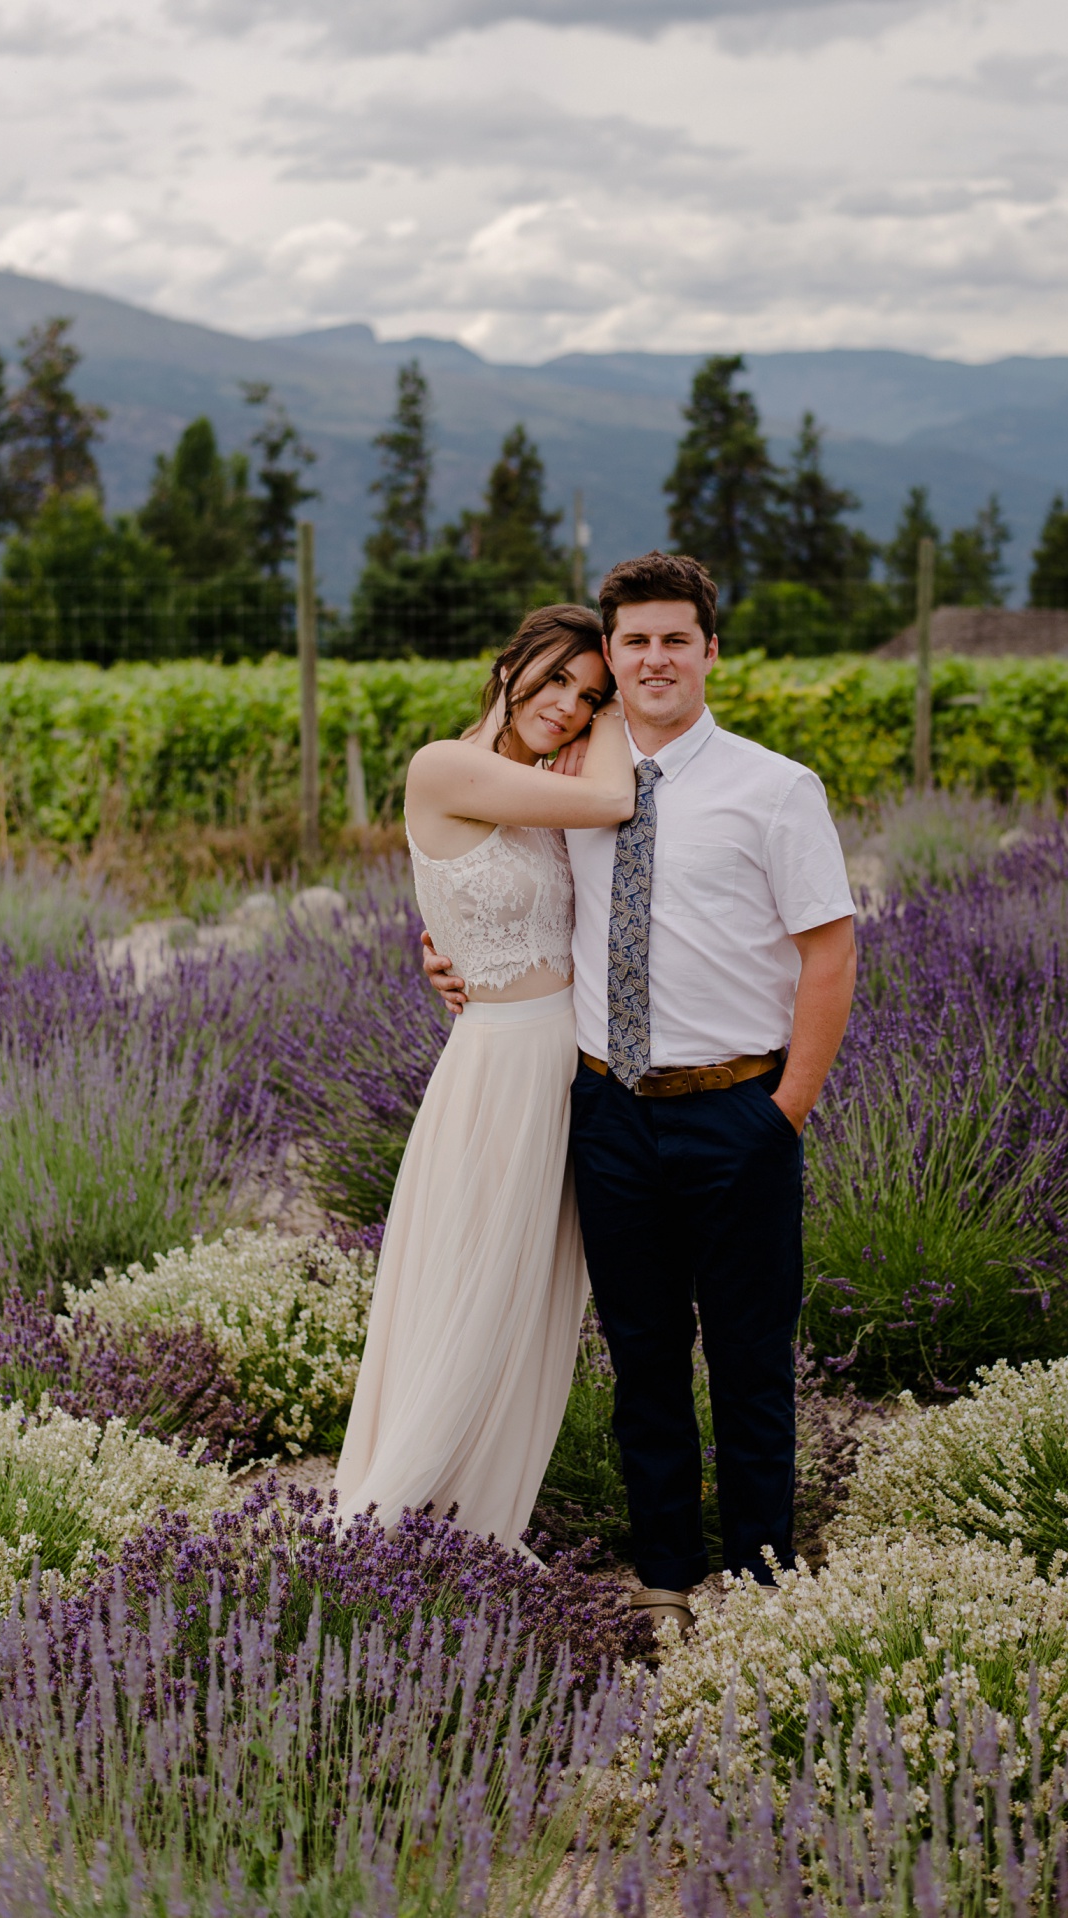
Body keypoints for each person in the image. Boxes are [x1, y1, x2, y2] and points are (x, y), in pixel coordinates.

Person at [425, 551, 857, 1633]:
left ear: (710, 650)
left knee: (751, 1359)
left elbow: (830, 951)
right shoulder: (567, 784)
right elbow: (491, 895)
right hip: (605, 1111)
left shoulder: (773, 787)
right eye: (634, 642)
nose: (654, 657)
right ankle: (663, 1570)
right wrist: (444, 959)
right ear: (611, 661)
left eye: (675, 638)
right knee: (644, 1360)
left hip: (735, 1111)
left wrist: (781, 1113)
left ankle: (761, 1583)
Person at [334, 603, 634, 1552]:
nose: (569, 706)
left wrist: (447, 951)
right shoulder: (444, 765)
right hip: (502, 1069)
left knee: (527, 1304)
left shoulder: (532, 782)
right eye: (556, 680)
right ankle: (391, 1524)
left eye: (588, 698)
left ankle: (474, 1526)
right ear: (509, 667)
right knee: (472, 1292)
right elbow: (616, 802)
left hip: (568, 1063)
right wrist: (625, 716)